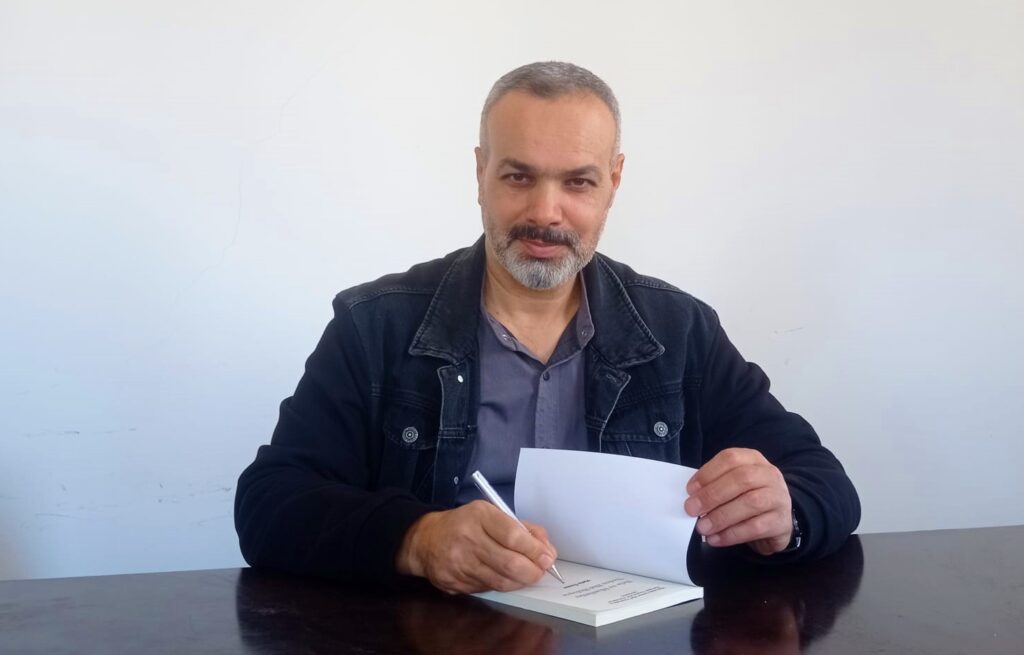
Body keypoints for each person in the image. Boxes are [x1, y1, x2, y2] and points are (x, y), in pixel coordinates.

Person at [234, 61, 860, 595]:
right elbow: (269, 505)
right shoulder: (373, 326)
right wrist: (417, 538)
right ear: (480, 172)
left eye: (578, 181)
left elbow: (825, 482)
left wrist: (785, 512)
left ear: (614, 182)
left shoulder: (679, 329)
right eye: (519, 177)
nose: (545, 213)